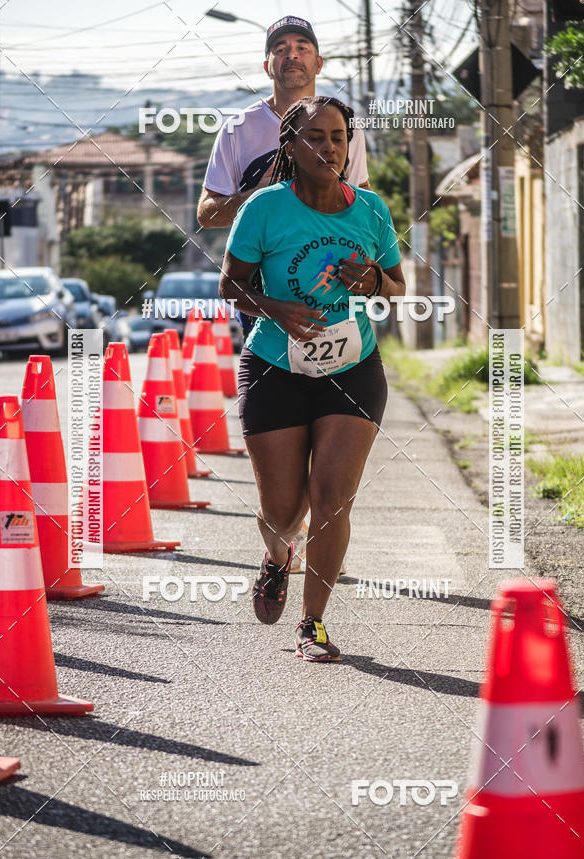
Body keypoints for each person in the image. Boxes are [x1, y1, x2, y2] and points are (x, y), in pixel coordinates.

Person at [219, 96, 406, 662]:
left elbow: (397, 288)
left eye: (339, 137)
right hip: (275, 368)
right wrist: (276, 307)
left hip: (352, 369)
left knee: (332, 499)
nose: (329, 147)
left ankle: (313, 624)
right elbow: (230, 286)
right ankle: (278, 557)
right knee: (283, 512)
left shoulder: (371, 209)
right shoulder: (264, 208)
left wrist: (373, 281)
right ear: (291, 146)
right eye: (316, 137)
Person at [198, 15, 369, 574]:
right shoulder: (239, 129)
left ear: (318, 62)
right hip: (264, 308)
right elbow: (207, 213)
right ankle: (281, 536)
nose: (291, 54)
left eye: (302, 46)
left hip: (331, 305)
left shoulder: (342, 124)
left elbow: (361, 206)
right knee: (282, 484)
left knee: (332, 467)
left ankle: (319, 549)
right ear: (267, 63)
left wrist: (370, 272)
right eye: (280, 48)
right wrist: (264, 196)